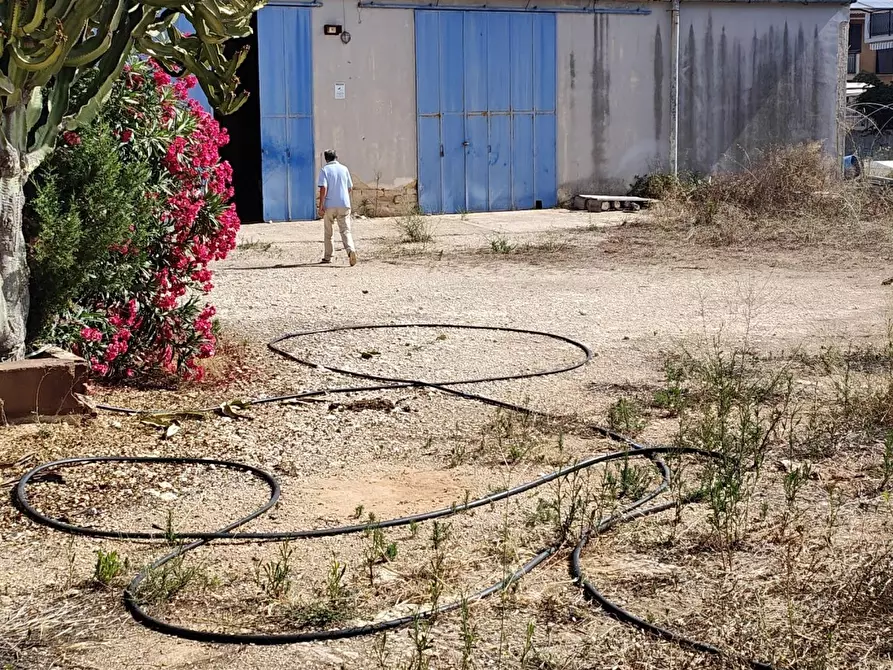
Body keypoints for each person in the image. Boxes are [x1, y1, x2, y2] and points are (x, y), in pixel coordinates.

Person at [317, 150, 357, 266]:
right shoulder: (344, 169)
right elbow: (349, 187)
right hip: (344, 204)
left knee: (328, 231)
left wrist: (321, 206)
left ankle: (328, 256)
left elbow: (323, 188)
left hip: (329, 205)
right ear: (336, 157)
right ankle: (350, 250)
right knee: (345, 230)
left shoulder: (325, 170)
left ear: (326, 159)